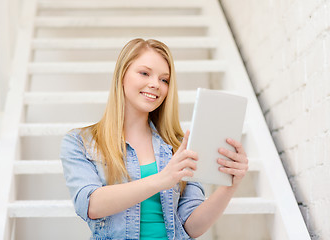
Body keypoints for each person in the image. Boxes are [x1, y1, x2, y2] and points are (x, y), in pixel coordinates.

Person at [60, 38, 249, 240]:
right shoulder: (81, 142)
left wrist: (230, 186)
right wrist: (162, 179)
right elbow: (90, 206)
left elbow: (193, 227)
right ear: (122, 75)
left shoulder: (178, 147)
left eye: (164, 80)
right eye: (145, 73)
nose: (155, 84)